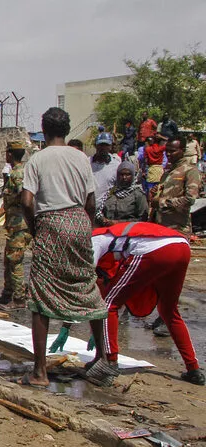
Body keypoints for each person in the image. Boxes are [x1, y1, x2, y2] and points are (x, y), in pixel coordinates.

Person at [52, 222, 201, 386]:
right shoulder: (110, 241)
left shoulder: (93, 242)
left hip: (153, 249)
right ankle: (193, 369)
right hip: (181, 247)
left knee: (109, 305)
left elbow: (84, 288)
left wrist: (66, 326)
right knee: (168, 310)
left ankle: (108, 363)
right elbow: (101, 284)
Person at [20, 107, 107, 386]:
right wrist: (85, 227)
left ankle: (40, 371)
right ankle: (102, 359)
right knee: (86, 283)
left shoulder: (37, 159)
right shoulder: (81, 158)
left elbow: (26, 201)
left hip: (51, 222)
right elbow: (91, 202)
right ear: (67, 130)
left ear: (43, 131)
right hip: (79, 221)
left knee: (40, 295)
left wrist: (35, 229)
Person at [0, 141, 31, 306]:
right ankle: (8, 292)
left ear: (10, 154)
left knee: (15, 261)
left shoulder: (18, 174)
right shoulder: (20, 172)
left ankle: (19, 297)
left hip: (19, 225)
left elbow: (24, 199)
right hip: (14, 224)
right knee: (8, 260)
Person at [151, 137, 202, 235]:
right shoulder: (168, 172)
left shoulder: (190, 170)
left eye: (173, 151)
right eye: (167, 151)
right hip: (160, 226)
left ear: (182, 151)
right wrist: (156, 193)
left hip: (177, 229)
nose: (168, 154)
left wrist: (162, 202)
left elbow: (190, 199)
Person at [97, 161, 148, 226]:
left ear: (133, 176)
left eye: (128, 174)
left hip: (128, 232)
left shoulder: (138, 194)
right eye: (121, 174)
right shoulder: (111, 191)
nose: (124, 177)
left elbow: (143, 219)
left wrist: (119, 223)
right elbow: (100, 210)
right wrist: (102, 219)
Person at [90, 132, 121, 208]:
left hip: (105, 210)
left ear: (110, 147)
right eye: (100, 145)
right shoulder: (86, 162)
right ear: (95, 146)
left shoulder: (116, 165)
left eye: (106, 145)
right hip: (86, 208)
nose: (103, 148)